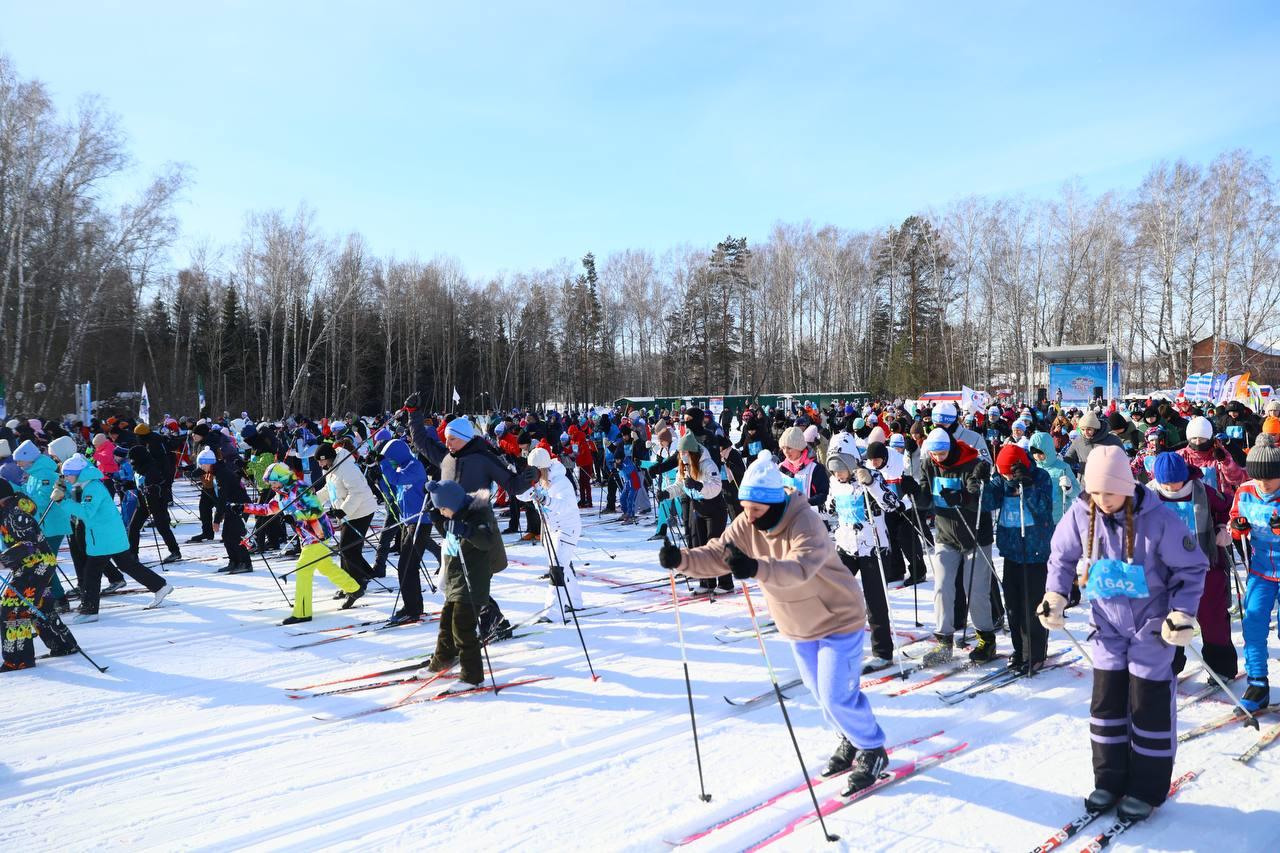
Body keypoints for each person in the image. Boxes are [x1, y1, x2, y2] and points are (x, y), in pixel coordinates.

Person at [658, 449, 890, 795]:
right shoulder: (746, 522)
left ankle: (872, 747)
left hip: (837, 616)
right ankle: (848, 736)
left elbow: (801, 568)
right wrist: (682, 560)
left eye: (755, 510)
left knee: (836, 694)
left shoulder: (804, 521)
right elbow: (719, 552)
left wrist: (756, 568)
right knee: (820, 694)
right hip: (797, 624)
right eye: (744, 509)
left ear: (773, 504)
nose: (747, 518)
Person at [1040, 444, 1207, 823]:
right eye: (1096, 493)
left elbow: (1192, 568)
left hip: (1151, 628)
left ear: (1127, 487)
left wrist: (1181, 613)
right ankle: (1109, 780)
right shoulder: (1081, 514)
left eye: (1110, 492)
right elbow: (1061, 558)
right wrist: (1055, 594)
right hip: (1107, 628)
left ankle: (1146, 788)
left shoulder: (1158, 519)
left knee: (1147, 708)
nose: (1103, 500)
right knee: (1106, 707)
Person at [1147, 452, 1237, 680]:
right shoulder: (1148, 495)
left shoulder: (1202, 490)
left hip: (1205, 567)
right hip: (1166, 571)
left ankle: (1220, 668)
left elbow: (1228, 508)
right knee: (1167, 619)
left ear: (1185, 476)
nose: (1171, 487)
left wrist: (1223, 529)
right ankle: (1168, 666)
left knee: (1213, 617)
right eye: (1165, 482)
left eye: (1175, 481)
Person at [54, 454, 173, 623]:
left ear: (78, 473)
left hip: (104, 537)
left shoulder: (93, 488)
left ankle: (90, 611)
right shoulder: (85, 484)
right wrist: (63, 491)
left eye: (68, 475)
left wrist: (62, 502)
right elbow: (79, 504)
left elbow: (87, 512)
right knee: (127, 565)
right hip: (108, 535)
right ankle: (160, 586)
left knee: (91, 574)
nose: (66, 478)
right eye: (64, 475)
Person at [241, 462, 362, 624]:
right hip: (306, 536)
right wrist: (243, 508)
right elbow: (267, 509)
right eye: (270, 483)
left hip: (317, 533)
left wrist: (295, 515)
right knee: (325, 567)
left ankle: (302, 612)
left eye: (274, 482)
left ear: (282, 478)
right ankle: (354, 588)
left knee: (303, 570)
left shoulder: (300, 489)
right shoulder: (282, 494)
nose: (272, 486)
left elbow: (316, 510)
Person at [918, 427, 999, 665]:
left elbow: (979, 500)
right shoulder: (929, 463)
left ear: (951, 447)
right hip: (946, 535)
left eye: (942, 453)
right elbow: (924, 498)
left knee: (975, 591)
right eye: (935, 454)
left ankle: (986, 639)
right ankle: (944, 641)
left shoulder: (971, 463)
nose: (939, 458)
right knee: (942, 588)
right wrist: (913, 491)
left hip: (975, 536)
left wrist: (962, 498)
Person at [424, 480, 507, 693]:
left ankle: (472, 676)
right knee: (446, 622)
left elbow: (485, 541)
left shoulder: (479, 514)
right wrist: (436, 518)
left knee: (463, 627)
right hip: (456, 575)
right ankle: (442, 660)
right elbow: (451, 535)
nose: (442, 513)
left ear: (453, 502)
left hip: (474, 578)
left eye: (443, 509)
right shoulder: (456, 511)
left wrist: (466, 530)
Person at [825, 450, 902, 672]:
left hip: (874, 548)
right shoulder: (834, 482)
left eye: (841, 469)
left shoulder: (872, 478)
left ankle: (882, 653)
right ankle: (838, 646)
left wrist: (870, 483)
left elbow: (892, 504)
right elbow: (828, 509)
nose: (838, 474)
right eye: (834, 470)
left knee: (875, 602)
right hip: (846, 546)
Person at [985, 445, 1053, 673]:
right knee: (1013, 607)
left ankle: (1034, 652)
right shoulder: (1001, 479)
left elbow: (1044, 510)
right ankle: (1019, 650)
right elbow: (987, 503)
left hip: (1035, 552)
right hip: (1011, 551)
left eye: (1007, 473)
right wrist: (978, 486)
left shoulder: (1040, 477)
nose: (1004, 477)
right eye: (1001, 473)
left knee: (1031, 607)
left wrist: (1028, 486)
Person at [1228, 433, 1280, 713]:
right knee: (1254, 623)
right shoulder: (1245, 490)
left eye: (1270, 479)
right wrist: (1238, 526)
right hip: (1261, 571)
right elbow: (1236, 525)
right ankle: (1258, 684)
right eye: (1258, 478)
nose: (1263, 485)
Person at [519, 447, 585, 619]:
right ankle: (575, 601)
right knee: (563, 566)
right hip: (550, 529)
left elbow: (567, 508)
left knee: (557, 569)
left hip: (567, 528)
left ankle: (554, 611)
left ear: (542, 468)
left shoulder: (561, 482)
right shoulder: (538, 481)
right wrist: (520, 482)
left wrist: (546, 500)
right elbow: (522, 495)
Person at [378, 439, 437, 625]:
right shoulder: (399, 468)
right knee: (408, 566)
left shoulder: (415, 466)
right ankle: (414, 606)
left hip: (420, 521)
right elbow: (394, 490)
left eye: (391, 459)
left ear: (398, 455)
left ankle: (412, 609)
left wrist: (382, 463)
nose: (391, 462)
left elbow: (397, 479)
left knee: (407, 566)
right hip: (407, 521)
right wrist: (377, 474)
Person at [315, 441, 376, 592]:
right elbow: (329, 490)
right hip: (348, 513)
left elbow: (357, 492)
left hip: (361, 511)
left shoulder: (347, 468)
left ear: (328, 457)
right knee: (347, 548)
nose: (319, 464)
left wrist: (343, 510)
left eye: (320, 460)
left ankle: (356, 584)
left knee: (347, 548)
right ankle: (360, 576)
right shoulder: (330, 468)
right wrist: (312, 500)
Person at [195, 446, 252, 574]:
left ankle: (245, 563)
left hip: (241, 506)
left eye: (202, 465)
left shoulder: (222, 474)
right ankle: (234, 561)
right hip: (231, 507)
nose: (201, 468)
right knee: (226, 536)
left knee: (235, 535)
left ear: (209, 463)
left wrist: (216, 520)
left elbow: (222, 498)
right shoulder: (216, 470)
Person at [125, 445, 183, 564]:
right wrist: (126, 485)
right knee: (133, 527)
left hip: (157, 502)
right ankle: (133, 554)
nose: (131, 462)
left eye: (133, 459)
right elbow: (138, 484)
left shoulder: (152, 468)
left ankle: (175, 551)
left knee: (162, 527)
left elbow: (159, 485)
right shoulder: (137, 468)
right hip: (143, 503)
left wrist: (152, 488)